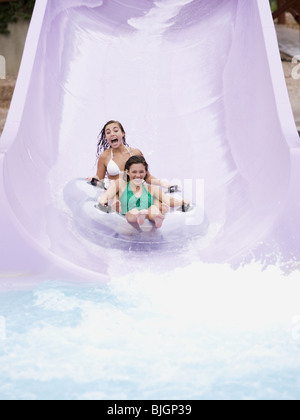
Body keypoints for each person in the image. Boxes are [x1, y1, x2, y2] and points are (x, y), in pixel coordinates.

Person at [98, 156, 190, 229]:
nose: (138, 175)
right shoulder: (120, 184)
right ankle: (139, 216)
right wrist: (103, 201)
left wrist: (181, 202)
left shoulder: (151, 188)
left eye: (141, 172)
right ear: (128, 172)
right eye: (134, 172)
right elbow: (107, 194)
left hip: (147, 214)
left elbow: (168, 200)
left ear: (146, 172)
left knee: (154, 209)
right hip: (129, 215)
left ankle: (157, 218)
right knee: (133, 211)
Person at [88, 120, 169, 188]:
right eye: (108, 132)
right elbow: (99, 180)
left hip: (136, 193)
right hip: (116, 196)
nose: (112, 134)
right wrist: (94, 179)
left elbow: (147, 177)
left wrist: (162, 183)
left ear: (123, 133)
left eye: (116, 130)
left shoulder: (135, 153)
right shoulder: (104, 156)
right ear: (106, 137)